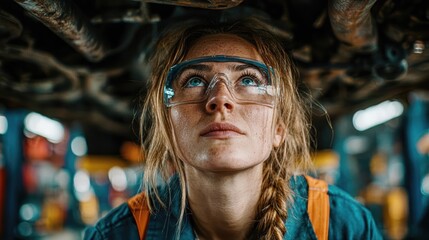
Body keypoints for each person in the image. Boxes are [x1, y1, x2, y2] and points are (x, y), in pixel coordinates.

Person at [84, 17, 381, 239]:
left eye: (249, 80)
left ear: (279, 127)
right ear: (167, 126)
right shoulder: (119, 234)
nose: (220, 99)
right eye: (194, 81)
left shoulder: (341, 224)